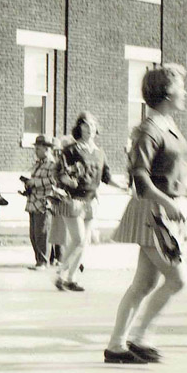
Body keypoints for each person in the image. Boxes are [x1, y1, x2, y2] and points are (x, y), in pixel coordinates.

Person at [104, 65, 187, 363]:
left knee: (144, 284)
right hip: (152, 211)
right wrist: (169, 203)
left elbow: (170, 174)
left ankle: (118, 344)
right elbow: (141, 178)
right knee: (178, 279)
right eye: (180, 87)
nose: (185, 93)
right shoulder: (148, 130)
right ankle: (138, 337)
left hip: (163, 208)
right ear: (165, 92)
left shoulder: (168, 126)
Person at [52, 113, 119, 292]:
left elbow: (106, 176)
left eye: (92, 125)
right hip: (72, 199)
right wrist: (67, 180)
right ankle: (60, 273)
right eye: (86, 125)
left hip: (91, 200)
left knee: (84, 241)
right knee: (78, 239)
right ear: (79, 127)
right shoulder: (71, 150)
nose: (90, 129)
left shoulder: (99, 153)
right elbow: (58, 172)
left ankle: (71, 278)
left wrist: (122, 186)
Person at [21, 134, 60, 269]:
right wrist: (28, 185)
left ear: (47, 149)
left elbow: (54, 181)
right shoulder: (38, 164)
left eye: (38, 148)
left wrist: (35, 182)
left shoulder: (53, 165)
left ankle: (43, 261)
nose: (35, 151)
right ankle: (39, 259)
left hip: (44, 202)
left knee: (42, 232)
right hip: (33, 201)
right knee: (33, 234)